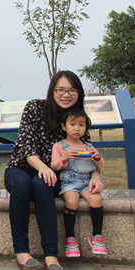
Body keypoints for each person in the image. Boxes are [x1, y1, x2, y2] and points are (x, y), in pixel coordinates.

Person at [4, 70, 86, 270]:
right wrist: (43, 166)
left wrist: (95, 178)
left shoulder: (77, 118)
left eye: (71, 90)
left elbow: (86, 152)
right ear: (52, 91)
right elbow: (24, 144)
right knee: (22, 185)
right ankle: (22, 253)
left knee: (41, 186)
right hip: (23, 166)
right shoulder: (35, 107)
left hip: (55, 172)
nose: (66, 94)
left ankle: (51, 257)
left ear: (78, 93)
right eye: (60, 89)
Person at [50, 106, 107, 257]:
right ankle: (70, 237)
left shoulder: (88, 146)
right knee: (71, 201)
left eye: (81, 125)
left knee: (96, 199)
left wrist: (98, 158)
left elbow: (100, 167)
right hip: (69, 182)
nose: (77, 129)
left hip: (86, 182)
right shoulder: (59, 146)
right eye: (73, 124)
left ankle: (97, 236)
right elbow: (54, 166)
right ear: (64, 126)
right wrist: (64, 158)